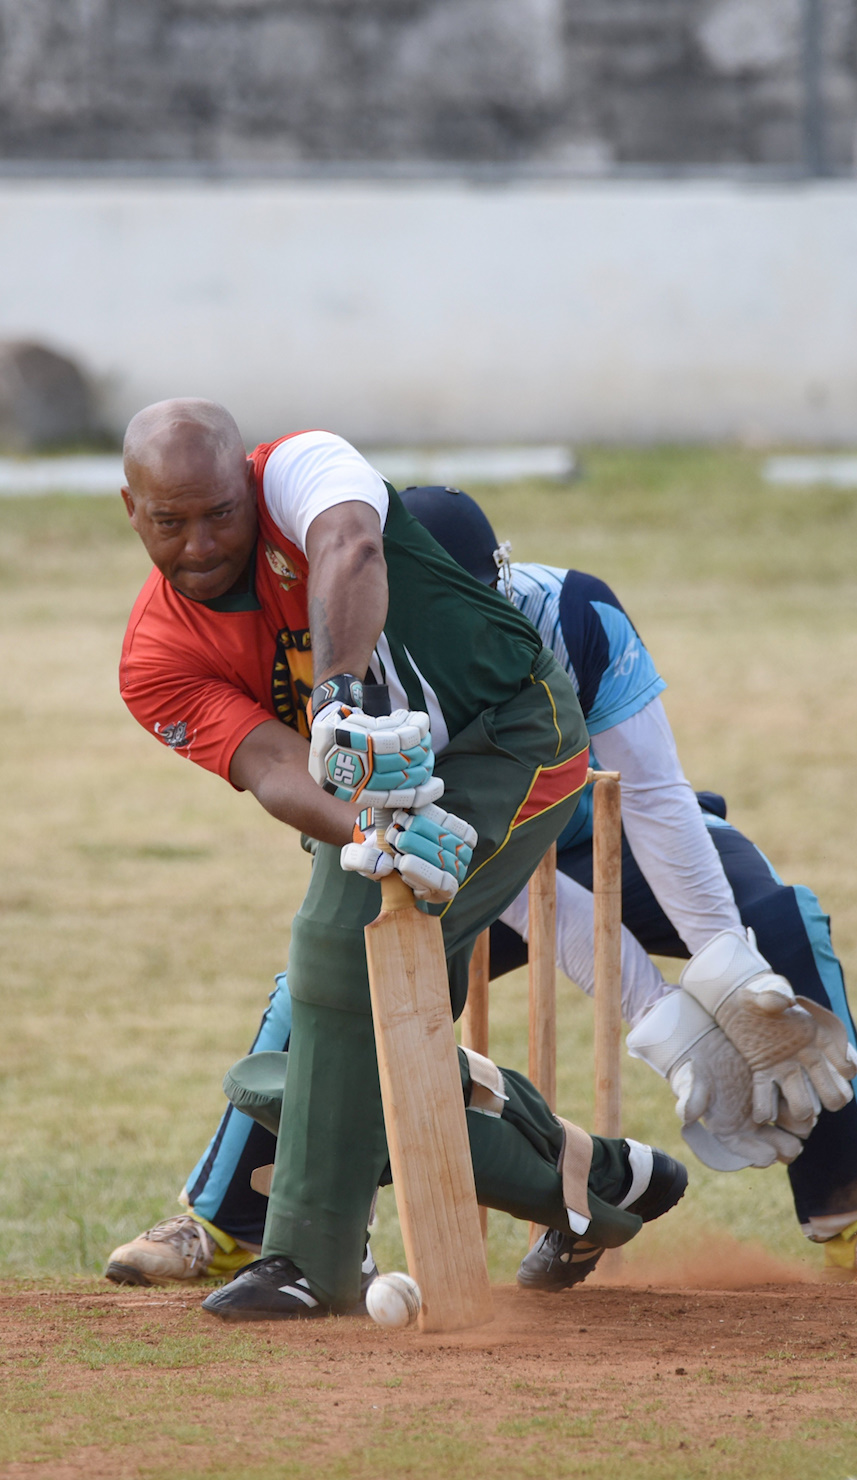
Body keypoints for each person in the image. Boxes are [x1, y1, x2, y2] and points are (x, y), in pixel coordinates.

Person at [109, 478, 857, 1290]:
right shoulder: (374, 665)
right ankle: (224, 1225)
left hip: (604, 822)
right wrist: (661, 1018)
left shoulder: (575, 613)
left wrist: (727, 966)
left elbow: (652, 798)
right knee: (325, 988)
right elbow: (505, 875)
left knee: (780, 923)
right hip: (469, 850)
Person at [111, 401, 689, 1320]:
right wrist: (365, 835)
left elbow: (351, 547)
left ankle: (306, 1262)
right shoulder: (154, 658)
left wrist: (337, 696)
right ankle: (595, 1180)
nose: (200, 541)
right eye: (170, 521)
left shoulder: (301, 467)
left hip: (510, 738)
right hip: (373, 796)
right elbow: (267, 764)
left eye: (220, 512)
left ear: (247, 483)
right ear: (131, 512)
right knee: (347, 1042)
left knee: (334, 963)